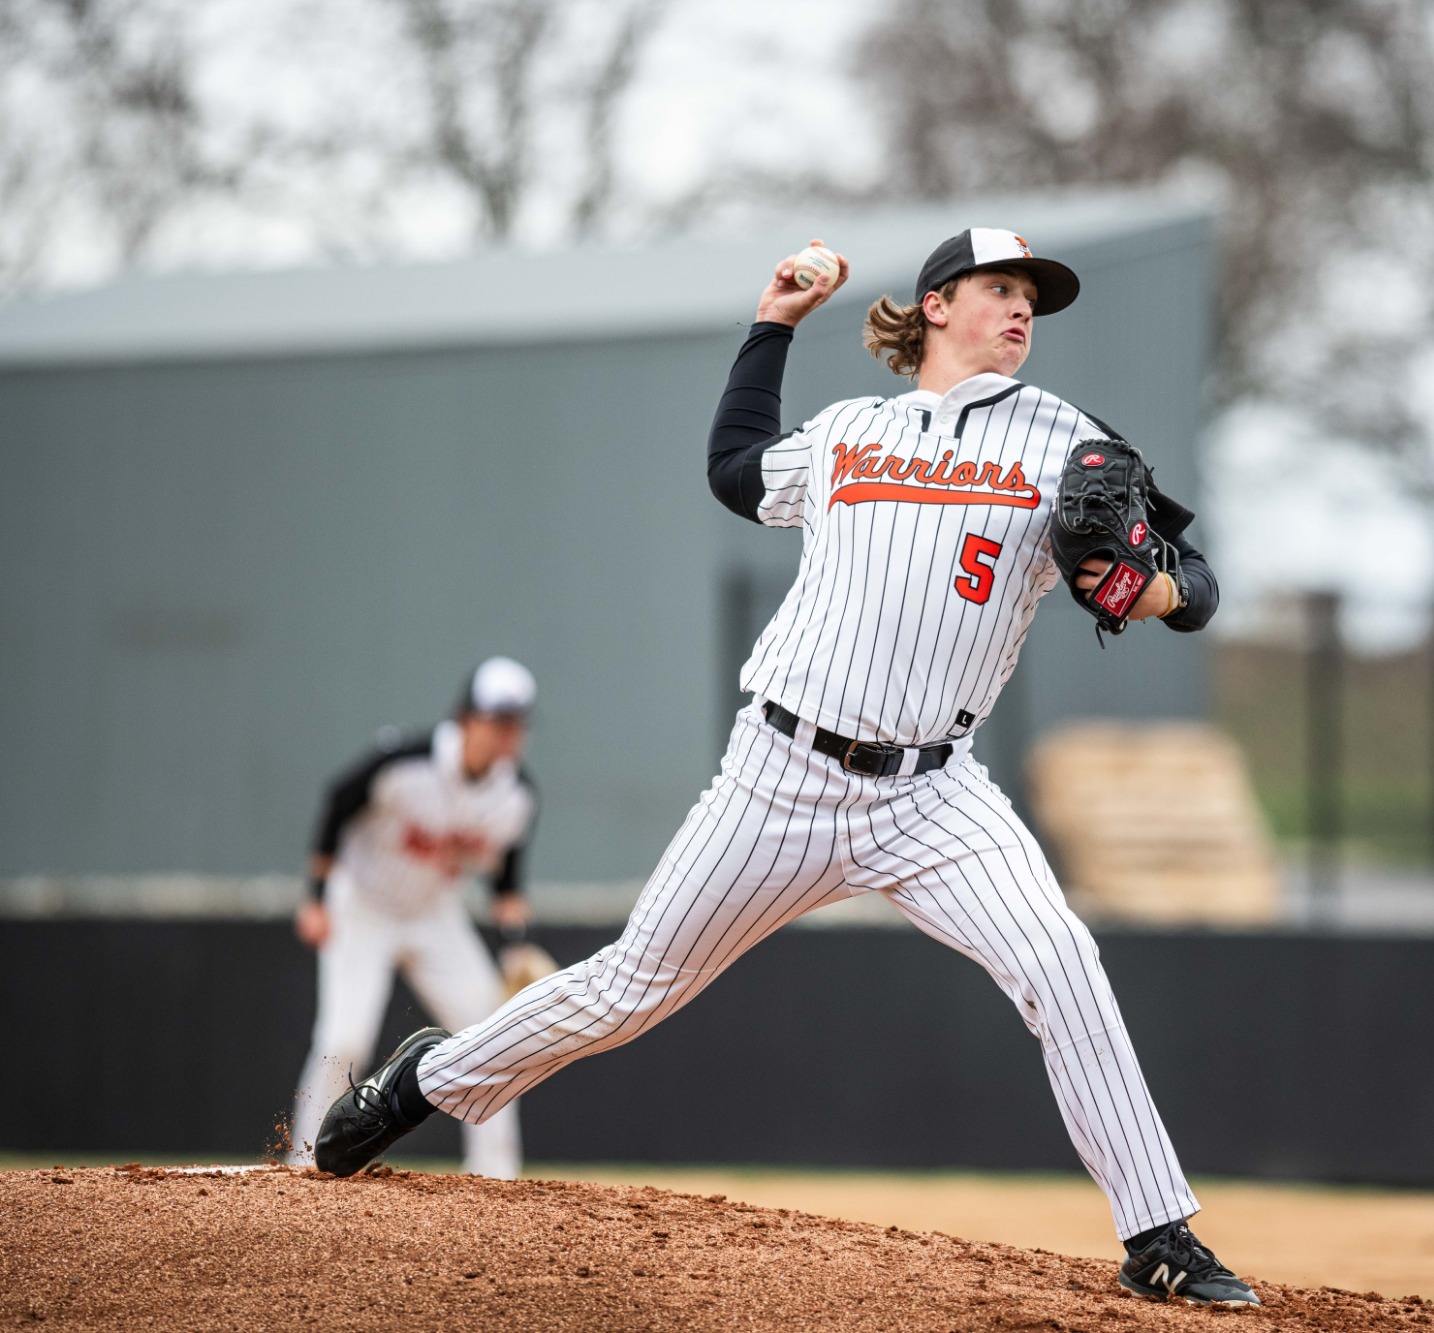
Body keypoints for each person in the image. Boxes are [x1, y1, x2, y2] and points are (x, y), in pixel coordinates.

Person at [313, 228, 1257, 1307]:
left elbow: (1190, 575)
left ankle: (1157, 1235)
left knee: (1060, 961)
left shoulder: (1067, 440)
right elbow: (732, 471)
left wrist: (1162, 593)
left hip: (933, 794)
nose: (1020, 310)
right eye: (998, 289)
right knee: (629, 990)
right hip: (779, 774)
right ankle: (426, 1078)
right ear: (936, 304)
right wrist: (773, 324)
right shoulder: (853, 430)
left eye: (1032, 297)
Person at [289, 656, 540, 1180]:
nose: (506, 735)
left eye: (515, 724)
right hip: (363, 904)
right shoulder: (406, 761)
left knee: (493, 1033)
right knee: (343, 1040)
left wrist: (515, 943)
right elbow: (338, 803)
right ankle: (305, 1164)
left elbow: (507, 884)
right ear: (467, 718)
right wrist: (315, 896)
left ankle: (497, 1177)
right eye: (497, 721)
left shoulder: (515, 795)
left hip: (434, 915)